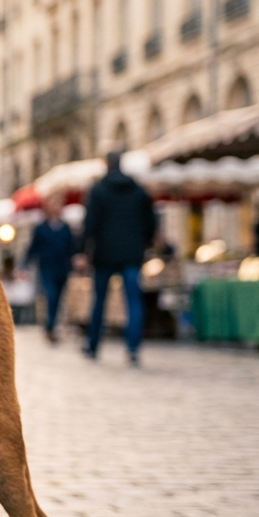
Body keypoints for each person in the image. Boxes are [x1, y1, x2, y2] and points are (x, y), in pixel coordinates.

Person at [81, 151, 156, 365]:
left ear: (106, 164)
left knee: (99, 301)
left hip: (104, 253)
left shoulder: (98, 190)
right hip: (132, 253)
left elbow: (90, 224)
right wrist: (144, 242)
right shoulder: (138, 190)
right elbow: (150, 222)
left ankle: (93, 345)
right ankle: (133, 347)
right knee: (133, 302)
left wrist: (83, 250)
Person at [23, 197, 77, 343]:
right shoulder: (41, 228)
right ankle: (50, 326)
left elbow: (72, 248)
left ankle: (51, 326)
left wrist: (76, 260)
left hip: (62, 269)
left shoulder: (66, 227)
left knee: (58, 299)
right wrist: (24, 266)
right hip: (46, 268)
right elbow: (32, 248)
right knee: (51, 295)